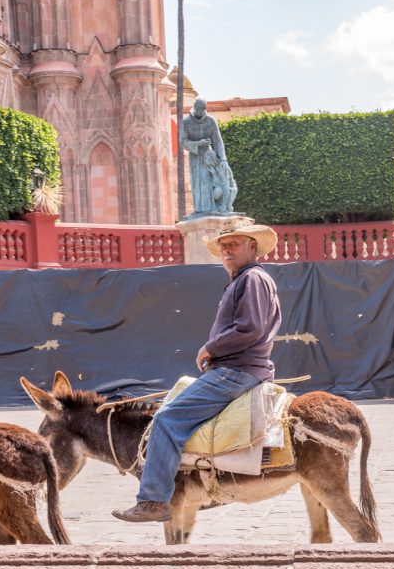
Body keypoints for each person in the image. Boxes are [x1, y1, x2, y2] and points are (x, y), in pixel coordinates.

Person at [113, 221, 281, 522]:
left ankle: (153, 500)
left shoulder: (251, 279)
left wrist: (211, 348)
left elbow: (250, 328)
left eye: (234, 244)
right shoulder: (247, 279)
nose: (227, 250)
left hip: (235, 370)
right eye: (223, 246)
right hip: (242, 368)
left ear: (252, 246)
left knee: (166, 419)